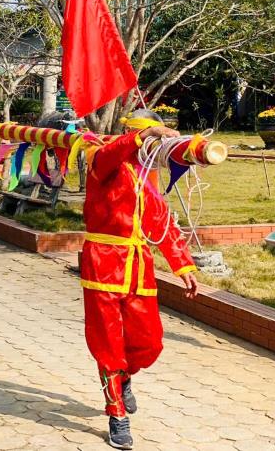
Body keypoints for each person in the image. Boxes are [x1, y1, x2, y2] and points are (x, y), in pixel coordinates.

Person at [80, 109, 198, 449]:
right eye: (150, 139)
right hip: (103, 261)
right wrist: (143, 136)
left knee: (150, 342)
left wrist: (184, 266)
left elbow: (159, 220)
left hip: (138, 263)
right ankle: (116, 413)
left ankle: (124, 375)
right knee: (108, 343)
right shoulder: (102, 158)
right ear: (135, 135)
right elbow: (108, 155)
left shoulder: (147, 177)